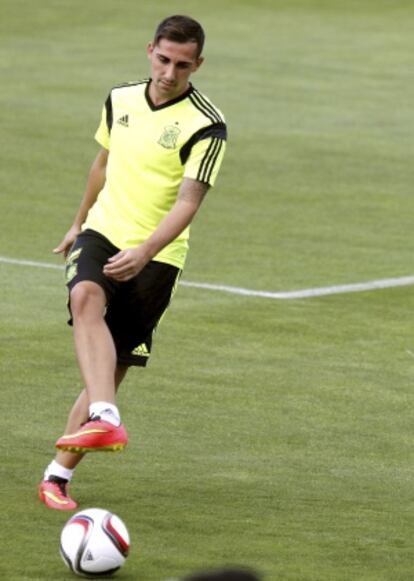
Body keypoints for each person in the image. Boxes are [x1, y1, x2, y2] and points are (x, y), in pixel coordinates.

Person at [38, 14, 227, 511]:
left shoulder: (207, 124)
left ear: (197, 64)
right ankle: (105, 412)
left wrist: (145, 250)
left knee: (114, 363)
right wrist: (78, 222)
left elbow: (189, 201)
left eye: (182, 65)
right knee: (85, 296)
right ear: (150, 50)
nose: (170, 72)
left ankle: (56, 476)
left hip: (159, 255)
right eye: (163, 59)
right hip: (104, 231)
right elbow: (102, 163)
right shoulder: (119, 99)